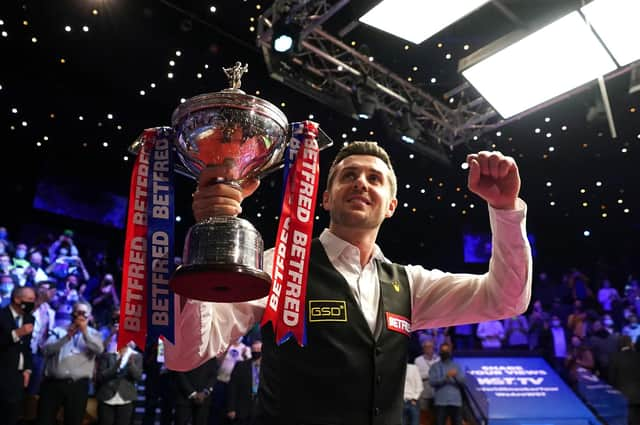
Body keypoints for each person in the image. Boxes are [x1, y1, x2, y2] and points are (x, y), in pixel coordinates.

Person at [166, 143, 532, 424]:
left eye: (375, 179)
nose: (361, 182)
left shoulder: (410, 283)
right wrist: (208, 246)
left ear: (391, 205)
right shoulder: (279, 264)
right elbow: (185, 356)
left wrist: (505, 210)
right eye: (348, 175)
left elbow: (506, 298)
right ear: (325, 198)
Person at [37, 300, 104, 425]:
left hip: (77, 386)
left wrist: (84, 333)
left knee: (73, 420)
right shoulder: (58, 331)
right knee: (44, 419)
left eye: (83, 313)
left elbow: (99, 350)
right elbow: (46, 351)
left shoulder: (95, 334)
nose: (80, 316)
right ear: (72, 314)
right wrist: (67, 337)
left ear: (89, 316)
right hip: (53, 383)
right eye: (77, 312)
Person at [0, 286, 36, 425]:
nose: (32, 303)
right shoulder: (2, 316)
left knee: (13, 414)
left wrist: (27, 368)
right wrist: (17, 333)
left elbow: (26, 347)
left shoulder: (29, 318)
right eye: (29, 299)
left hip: (18, 375)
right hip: (2, 371)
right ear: (17, 299)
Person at [95, 342, 143, 425]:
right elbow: (101, 376)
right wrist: (117, 364)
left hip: (126, 398)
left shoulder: (136, 356)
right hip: (107, 396)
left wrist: (131, 365)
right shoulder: (108, 354)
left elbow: (138, 376)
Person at [227, 340, 263, 425]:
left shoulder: (268, 368)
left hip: (260, 409)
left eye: (258, 350)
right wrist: (231, 408)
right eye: (254, 350)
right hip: (242, 409)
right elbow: (232, 388)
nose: (256, 352)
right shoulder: (241, 366)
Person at [429, 343, 465, 425]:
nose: (445, 353)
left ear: (450, 352)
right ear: (440, 352)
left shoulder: (456, 366)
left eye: (446, 351)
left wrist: (456, 376)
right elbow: (432, 382)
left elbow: (463, 382)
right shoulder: (435, 366)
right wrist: (446, 377)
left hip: (455, 401)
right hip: (441, 401)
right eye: (443, 351)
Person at [608, 335, 640, 425]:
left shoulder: (615, 357)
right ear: (630, 344)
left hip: (622, 396)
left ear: (619, 344)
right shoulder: (638, 355)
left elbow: (611, 378)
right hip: (638, 397)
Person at [402, 360, 423, 425]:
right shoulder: (394, 370)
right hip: (401, 403)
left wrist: (414, 399)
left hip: (412, 402)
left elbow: (420, 386)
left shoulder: (413, 368)